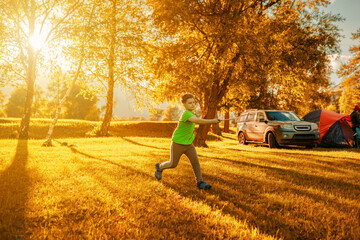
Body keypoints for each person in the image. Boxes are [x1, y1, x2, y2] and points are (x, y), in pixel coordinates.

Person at [154, 93, 220, 190]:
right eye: (190, 103)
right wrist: (213, 121)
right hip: (178, 143)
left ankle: (200, 181)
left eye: (193, 102)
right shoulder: (186, 114)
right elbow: (198, 121)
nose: (193, 105)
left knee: (195, 162)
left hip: (188, 144)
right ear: (184, 105)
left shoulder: (192, 113)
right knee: (173, 164)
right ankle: (159, 167)